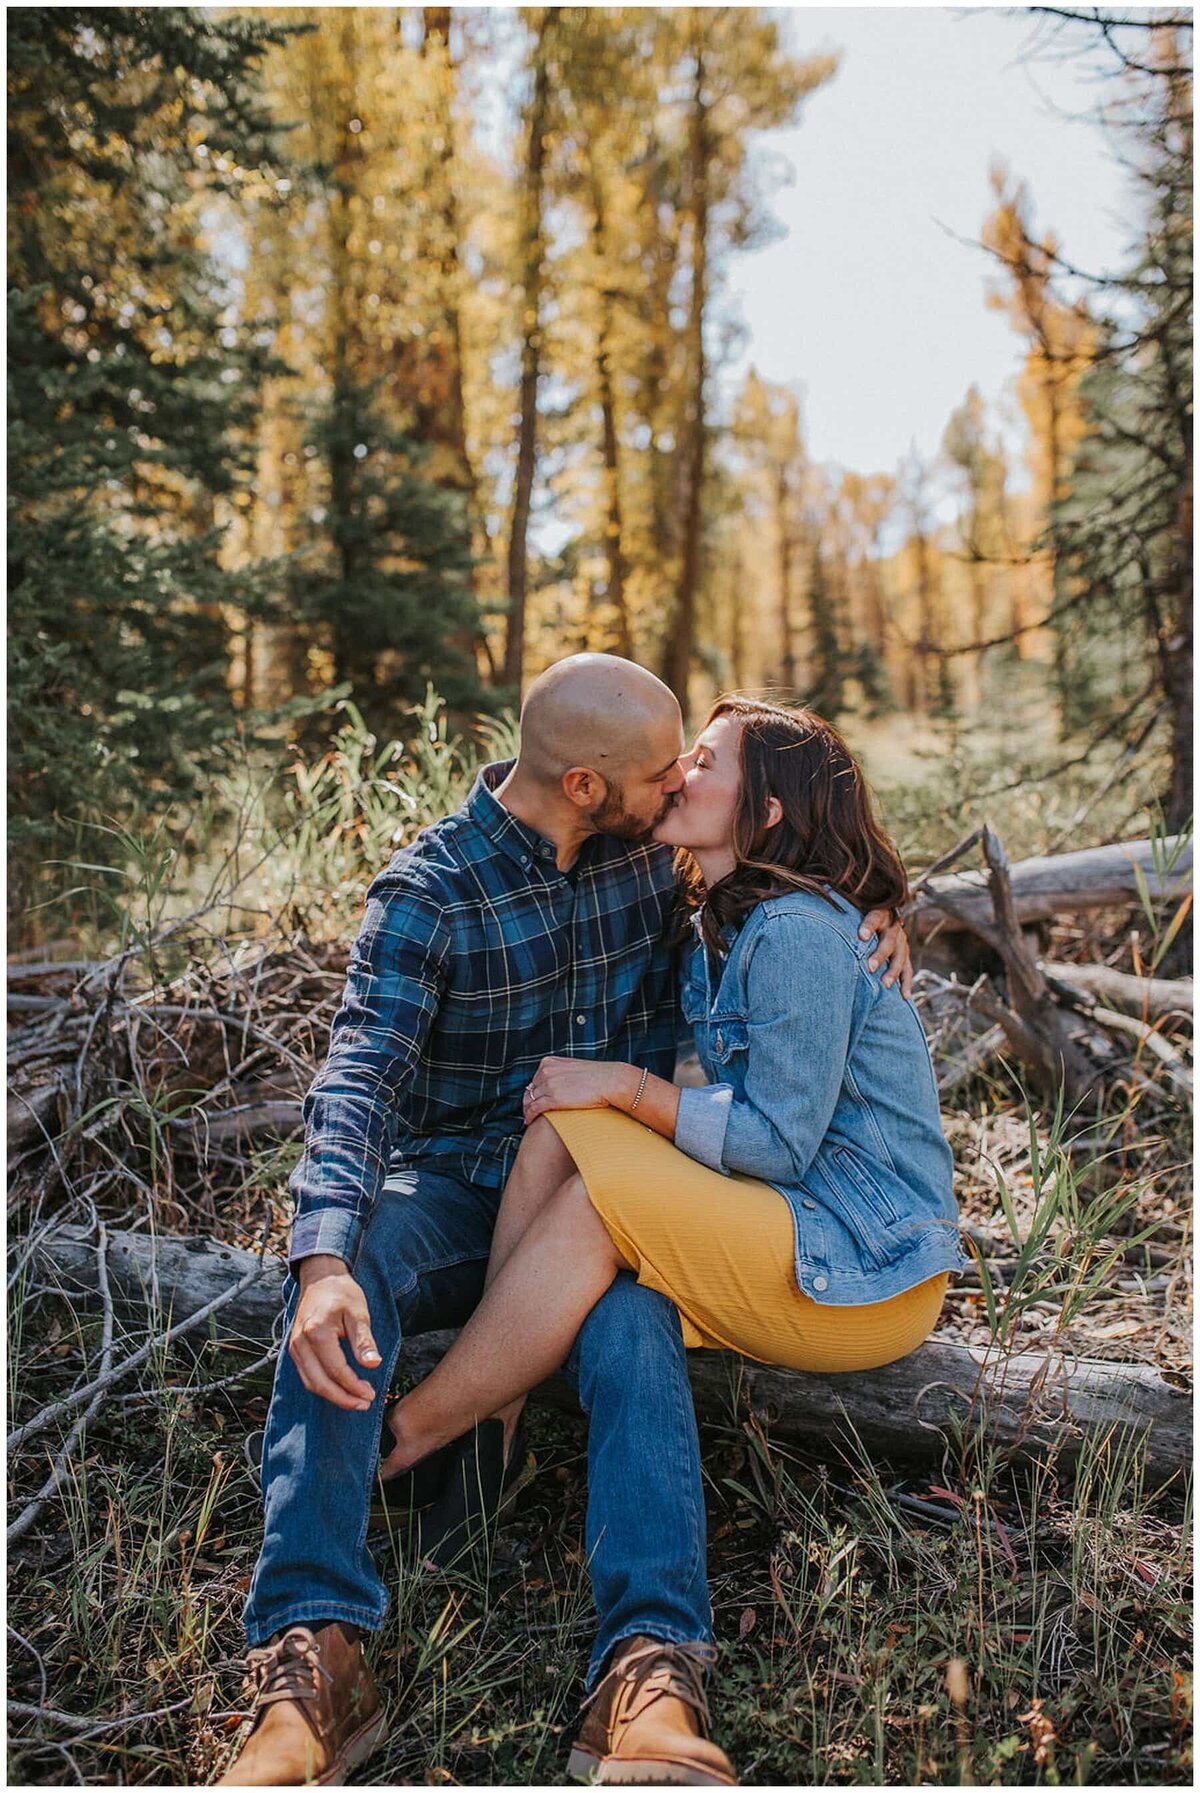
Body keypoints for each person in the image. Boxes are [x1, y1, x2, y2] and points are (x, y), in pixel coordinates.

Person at [216, 659, 912, 1788]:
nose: (680, 778)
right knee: (358, 1273)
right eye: (659, 768)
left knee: (633, 1317)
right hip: (454, 1191)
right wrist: (323, 1257)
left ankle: (647, 1675)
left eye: (692, 761)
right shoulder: (430, 891)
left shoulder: (652, 860)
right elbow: (358, 1082)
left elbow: (795, 865)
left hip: (612, 1190)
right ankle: (315, 1652)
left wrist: (881, 915)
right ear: (587, 783)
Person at [376, 696, 968, 1779]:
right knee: (586, 1178)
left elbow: (781, 1143)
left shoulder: (791, 929)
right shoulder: (725, 911)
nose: (679, 771)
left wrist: (631, 1083)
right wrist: (891, 901)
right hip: (793, 1236)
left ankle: (416, 1431)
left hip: (858, 1263)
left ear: (770, 807)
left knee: (586, 1129)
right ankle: (646, 1675)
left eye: (704, 760)